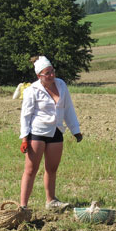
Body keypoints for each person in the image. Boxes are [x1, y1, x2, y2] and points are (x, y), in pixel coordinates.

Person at [19, 56, 83, 210]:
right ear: (39, 76)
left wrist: (76, 130)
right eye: (47, 73)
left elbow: (68, 109)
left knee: (52, 169)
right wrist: (24, 138)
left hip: (56, 131)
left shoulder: (61, 85)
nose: (51, 76)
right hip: (37, 132)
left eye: (52, 71)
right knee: (31, 169)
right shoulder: (32, 90)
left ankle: (51, 201)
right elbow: (25, 115)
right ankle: (23, 206)